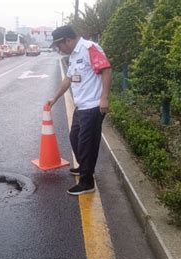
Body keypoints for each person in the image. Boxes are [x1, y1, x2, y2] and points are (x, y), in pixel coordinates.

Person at [47, 25, 112, 195]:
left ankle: (87, 182)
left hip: (93, 107)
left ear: (68, 40)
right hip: (81, 107)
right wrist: (55, 98)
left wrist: (104, 98)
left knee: (86, 145)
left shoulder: (89, 48)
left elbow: (106, 69)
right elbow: (68, 79)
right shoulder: (74, 55)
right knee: (75, 137)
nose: (59, 49)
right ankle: (84, 167)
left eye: (60, 46)